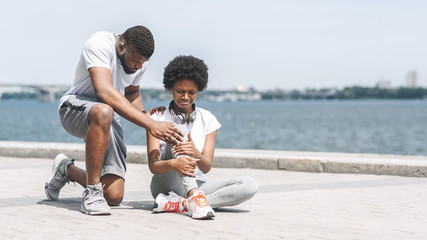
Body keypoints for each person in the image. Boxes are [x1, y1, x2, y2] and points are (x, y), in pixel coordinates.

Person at [44, 25, 182, 215]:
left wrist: (148, 117)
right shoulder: (99, 43)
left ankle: (66, 169)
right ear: (122, 46)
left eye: (143, 63)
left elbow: (132, 92)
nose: (139, 67)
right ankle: (91, 192)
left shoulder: (139, 60)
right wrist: (150, 124)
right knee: (104, 110)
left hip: (109, 119)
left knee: (113, 196)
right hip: (74, 109)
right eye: (136, 61)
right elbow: (104, 92)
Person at [147, 55, 258, 219]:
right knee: (179, 130)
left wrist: (195, 153)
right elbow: (153, 166)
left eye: (192, 92)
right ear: (170, 88)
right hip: (165, 185)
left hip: (199, 184)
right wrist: (173, 163)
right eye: (179, 91)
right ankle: (193, 199)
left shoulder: (208, 119)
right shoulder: (157, 118)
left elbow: (206, 167)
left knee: (249, 185)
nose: (185, 97)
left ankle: (183, 203)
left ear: (199, 89)